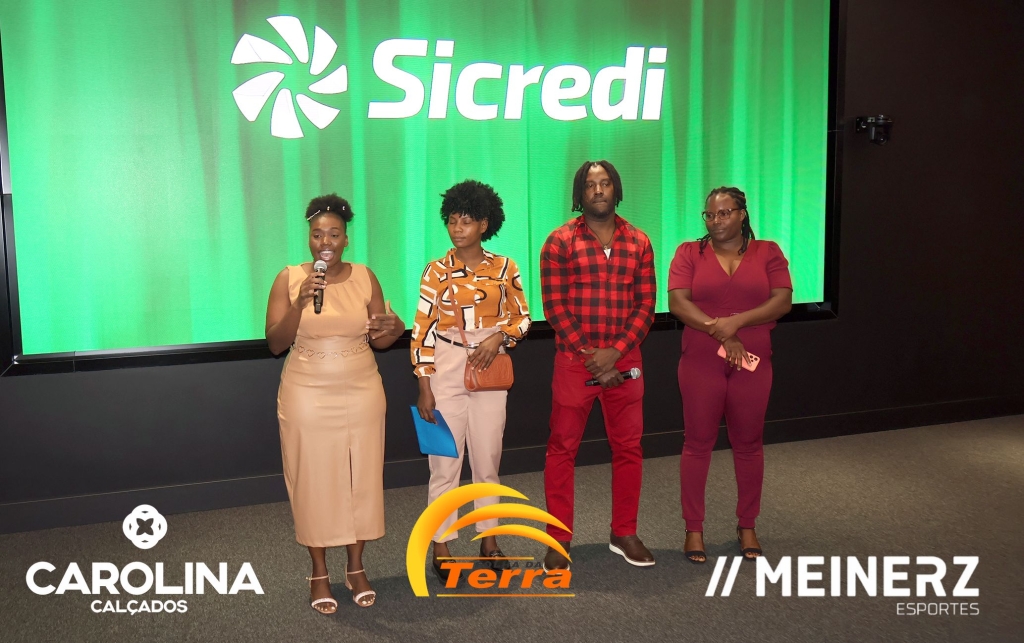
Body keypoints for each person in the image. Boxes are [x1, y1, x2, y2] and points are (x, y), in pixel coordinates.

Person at [265, 194, 405, 613]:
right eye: (316, 234)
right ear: (308, 238)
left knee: (361, 477)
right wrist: (299, 303)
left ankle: (356, 566)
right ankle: (319, 571)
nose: (324, 242)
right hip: (307, 390)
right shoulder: (289, 278)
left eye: (333, 234)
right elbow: (275, 343)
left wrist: (396, 328)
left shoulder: (365, 276)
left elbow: (380, 339)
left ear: (346, 239)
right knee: (314, 480)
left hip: (362, 388)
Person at [411, 179, 531, 582]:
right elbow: (422, 330)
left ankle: (489, 540)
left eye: (466, 220)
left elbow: (523, 319)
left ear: (484, 223)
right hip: (445, 366)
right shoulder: (435, 270)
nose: (457, 228)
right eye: (452, 220)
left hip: (490, 369)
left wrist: (500, 337)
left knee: (487, 459)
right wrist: (424, 384)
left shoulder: (506, 267)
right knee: (444, 463)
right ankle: (441, 544)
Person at [540, 160, 657, 570]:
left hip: (626, 360)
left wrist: (616, 352)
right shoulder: (559, 241)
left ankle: (624, 532)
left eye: (605, 183)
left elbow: (646, 305)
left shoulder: (639, 241)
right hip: (576, 362)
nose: (598, 190)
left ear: (616, 189)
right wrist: (593, 357)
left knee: (628, 448)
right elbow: (554, 307)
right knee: (561, 450)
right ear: (580, 194)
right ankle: (558, 539)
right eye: (590, 185)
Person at [667, 186, 792, 564]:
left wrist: (736, 323)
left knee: (749, 443)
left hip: (753, 360)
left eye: (724, 213)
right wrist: (721, 331)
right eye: (710, 214)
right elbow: (678, 303)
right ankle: (693, 528)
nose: (716, 220)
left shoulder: (768, 252)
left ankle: (747, 524)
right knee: (697, 444)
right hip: (701, 361)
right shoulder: (689, 252)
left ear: (742, 214)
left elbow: (782, 300)